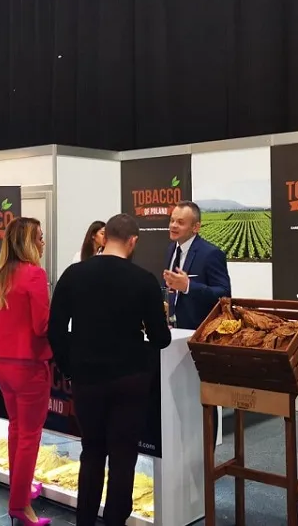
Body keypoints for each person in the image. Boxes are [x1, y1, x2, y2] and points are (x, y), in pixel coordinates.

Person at [48, 213, 172, 526]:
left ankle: (85, 520)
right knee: (123, 457)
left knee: (91, 451)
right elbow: (161, 338)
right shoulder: (143, 279)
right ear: (133, 241)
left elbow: (55, 330)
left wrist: (69, 367)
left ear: (105, 238)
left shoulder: (74, 274)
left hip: (87, 378)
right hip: (130, 378)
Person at [0, 217, 52, 526]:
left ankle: (19, 491)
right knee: (29, 436)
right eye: (39, 237)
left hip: (2, 365)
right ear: (27, 242)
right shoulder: (35, 275)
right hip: (29, 366)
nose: (43, 243)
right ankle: (20, 505)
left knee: (16, 430)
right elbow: (41, 326)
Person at [163, 200, 231, 446]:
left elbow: (224, 294)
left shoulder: (210, 254)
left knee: (205, 396)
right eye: (172, 220)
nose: (173, 225)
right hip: (176, 334)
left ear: (196, 227)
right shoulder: (171, 250)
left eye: (180, 222)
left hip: (201, 335)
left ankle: (207, 452)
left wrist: (189, 286)